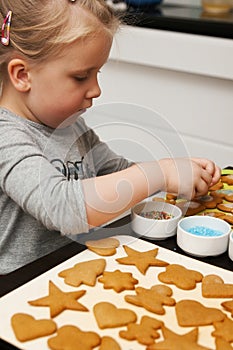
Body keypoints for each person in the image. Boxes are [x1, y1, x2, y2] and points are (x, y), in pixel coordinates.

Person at [0, 0, 220, 274]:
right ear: (22, 75)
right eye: (81, 77)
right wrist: (160, 173)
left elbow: (121, 174)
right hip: (19, 289)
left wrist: (178, 171)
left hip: (75, 267)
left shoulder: (72, 128)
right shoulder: (6, 137)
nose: (96, 90)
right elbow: (62, 208)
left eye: (97, 73)